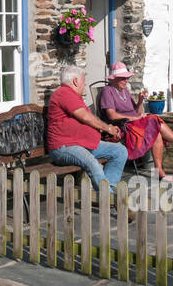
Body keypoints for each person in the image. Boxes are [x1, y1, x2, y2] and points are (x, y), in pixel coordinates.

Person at [98, 62, 173, 179]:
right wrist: (136, 118)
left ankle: (160, 172)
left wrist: (141, 101)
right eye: (123, 78)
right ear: (114, 79)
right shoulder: (107, 91)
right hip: (122, 127)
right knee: (153, 119)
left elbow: (136, 112)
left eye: (127, 78)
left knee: (156, 131)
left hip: (133, 123)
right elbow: (112, 115)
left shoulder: (124, 91)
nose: (126, 81)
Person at [47, 65, 129, 194]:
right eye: (83, 81)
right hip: (64, 147)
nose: (84, 85)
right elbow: (85, 117)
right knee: (91, 162)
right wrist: (107, 128)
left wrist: (103, 129)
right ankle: (108, 198)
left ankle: (109, 189)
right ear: (75, 81)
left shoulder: (73, 96)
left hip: (82, 144)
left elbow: (88, 118)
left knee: (120, 151)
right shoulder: (64, 93)